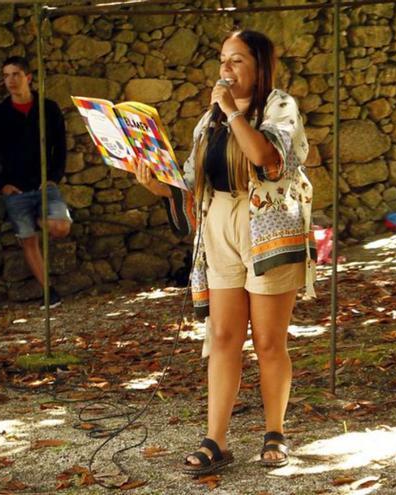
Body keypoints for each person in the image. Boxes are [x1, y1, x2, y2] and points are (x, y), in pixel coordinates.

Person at [133, 29, 315, 475]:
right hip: (220, 227)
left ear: (259, 66)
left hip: (268, 225)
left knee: (270, 341)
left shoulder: (279, 106)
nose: (226, 70)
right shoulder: (209, 120)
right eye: (222, 61)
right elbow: (192, 183)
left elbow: (267, 159)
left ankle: (275, 432)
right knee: (222, 339)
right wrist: (155, 183)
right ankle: (216, 440)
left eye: (236, 61)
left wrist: (233, 112)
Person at [0, 56, 71, 308]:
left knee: (61, 227)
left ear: (28, 77)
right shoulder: (0, 115)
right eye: (6, 75)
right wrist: (2, 184)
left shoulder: (48, 109)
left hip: (44, 186)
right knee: (28, 241)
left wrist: (53, 178)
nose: (10, 80)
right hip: (16, 190)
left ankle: (40, 220)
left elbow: (60, 148)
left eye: (15, 74)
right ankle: (48, 292)